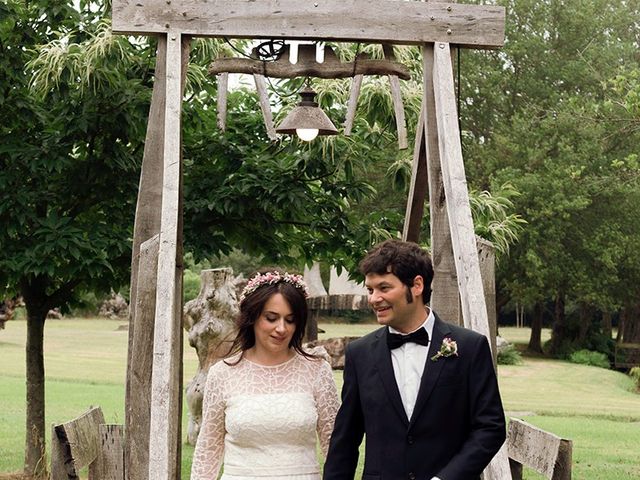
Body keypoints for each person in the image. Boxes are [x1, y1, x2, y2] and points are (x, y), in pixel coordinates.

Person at [323, 240, 506, 480]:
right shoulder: (360, 353)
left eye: (384, 288)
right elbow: (345, 440)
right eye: (370, 290)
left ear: (417, 285)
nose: (374, 299)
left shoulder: (470, 347)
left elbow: (490, 427)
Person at [191, 271, 340, 480]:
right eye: (271, 318)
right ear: (252, 318)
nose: (281, 328)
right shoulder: (222, 374)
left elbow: (334, 446)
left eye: (290, 320)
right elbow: (208, 450)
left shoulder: (316, 370)